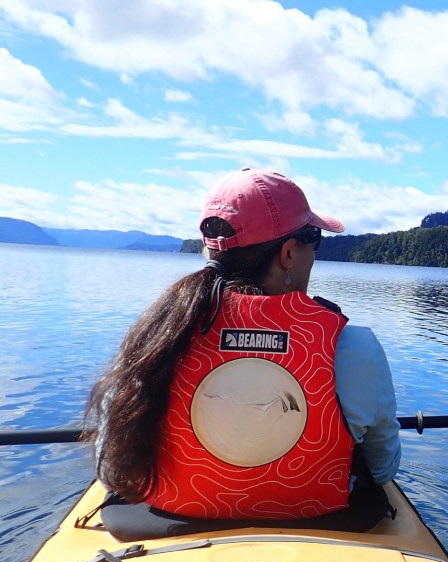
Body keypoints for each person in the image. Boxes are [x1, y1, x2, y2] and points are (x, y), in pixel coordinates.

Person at [84, 168, 400, 529]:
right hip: (322, 525)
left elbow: (111, 472)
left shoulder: (158, 334)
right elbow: (383, 469)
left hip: (169, 525)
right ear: (289, 253)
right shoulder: (352, 346)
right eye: (315, 240)